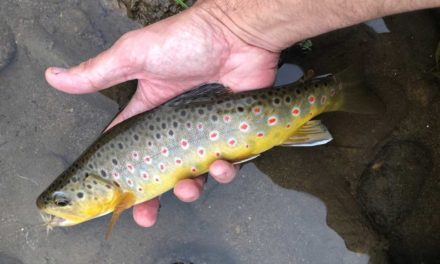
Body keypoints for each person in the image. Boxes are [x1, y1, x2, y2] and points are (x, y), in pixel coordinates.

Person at [45, 0, 438, 227]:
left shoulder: (122, 196)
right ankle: (324, 96)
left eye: (63, 200)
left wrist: (232, 26)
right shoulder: (116, 188)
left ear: (93, 186)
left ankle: (329, 94)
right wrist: (231, 24)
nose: (59, 208)